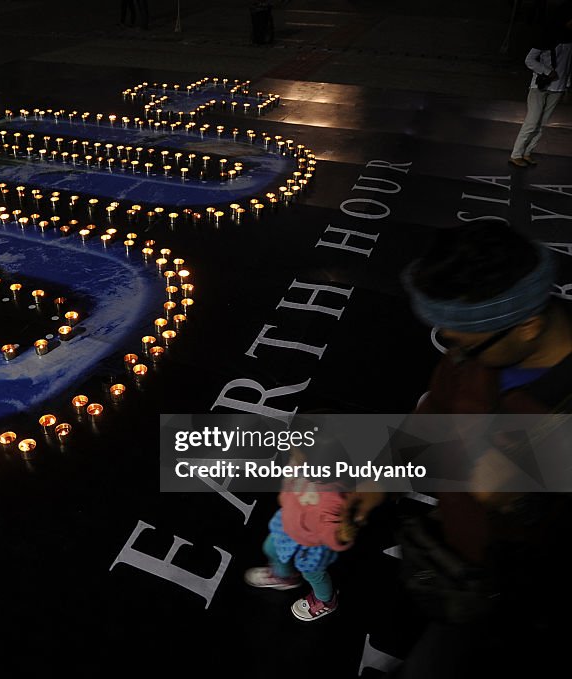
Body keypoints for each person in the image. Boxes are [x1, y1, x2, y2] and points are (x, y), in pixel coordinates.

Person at [352, 223, 572, 677]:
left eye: (460, 343)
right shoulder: (488, 347)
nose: (451, 353)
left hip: (523, 596)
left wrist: (523, 500)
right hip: (454, 558)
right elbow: (437, 406)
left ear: (528, 326)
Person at [244, 445, 359, 622]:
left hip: (311, 546)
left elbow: (335, 538)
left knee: (314, 574)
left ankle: (326, 600)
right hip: (287, 526)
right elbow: (286, 490)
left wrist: (342, 533)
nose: (293, 457)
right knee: (271, 548)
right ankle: (285, 577)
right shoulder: (299, 464)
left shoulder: (333, 499)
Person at [508, 5, 572, 168]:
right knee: (532, 121)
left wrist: (567, 86)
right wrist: (547, 71)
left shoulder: (570, 40)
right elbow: (529, 60)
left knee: (542, 123)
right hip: (540, 86)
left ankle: (527, 152)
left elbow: (569, 66)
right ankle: (516, 154)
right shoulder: (545, 38)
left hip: (558, 88)